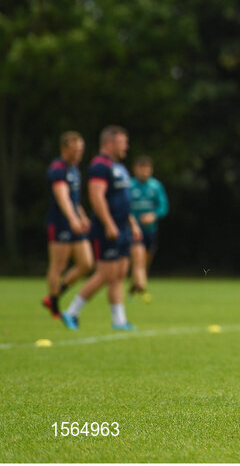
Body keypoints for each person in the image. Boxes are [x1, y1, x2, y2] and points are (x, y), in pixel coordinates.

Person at [61, 126, 142, 331]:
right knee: (106, 273)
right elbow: (97, 197)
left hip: (122, 227)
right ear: (110, 143)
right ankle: (71, 312)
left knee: (119, 274)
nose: (126, 146)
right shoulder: (99, 165)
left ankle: (119, 321)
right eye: (123, 142)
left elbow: (122, 200)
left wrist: (132, 223)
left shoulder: (119, 167)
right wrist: (108, 224)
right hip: (108, 228)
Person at [42, 131, 94, 319]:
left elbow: (74, 199)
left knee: (87, 263)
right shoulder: (58, 168)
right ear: (65, 148)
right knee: (59, 265)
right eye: (76, 149)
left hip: (74, 221)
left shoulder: (74, 169)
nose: (79, 153)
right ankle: (55, 309)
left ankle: (54, 295)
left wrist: (82, 216)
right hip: (60, 223)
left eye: (81, 149)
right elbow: (62, 196)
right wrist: (72, 219)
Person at [128, 155, 168, 302]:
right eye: (141, 168)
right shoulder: (129, 185)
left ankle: (134, 287)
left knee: (145, 262)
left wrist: (153, 215)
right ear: (135, 169)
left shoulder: (155, 186)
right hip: (133, 231)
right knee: (138, 260)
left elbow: (164, 207)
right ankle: (143, 290)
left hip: (151, 230)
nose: (144, 172)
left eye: (147, 169)